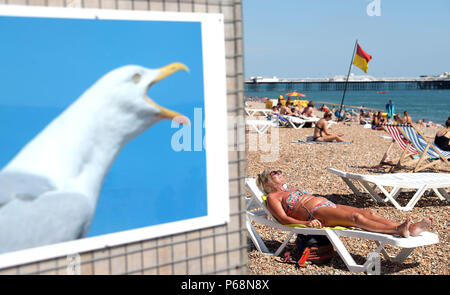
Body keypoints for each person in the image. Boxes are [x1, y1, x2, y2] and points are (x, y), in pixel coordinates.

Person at [256, 169, 433, 238]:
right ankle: (397, 230)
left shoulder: (289, 189)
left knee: (368, 212)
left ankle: (410, 229)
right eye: (275, 173)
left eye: (279, 171)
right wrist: (306, 223)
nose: (279, 172)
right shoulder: (273, 198)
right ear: (268, 182)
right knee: (356, 218)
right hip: (317, 214)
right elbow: (283, 218)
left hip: (327, 205)